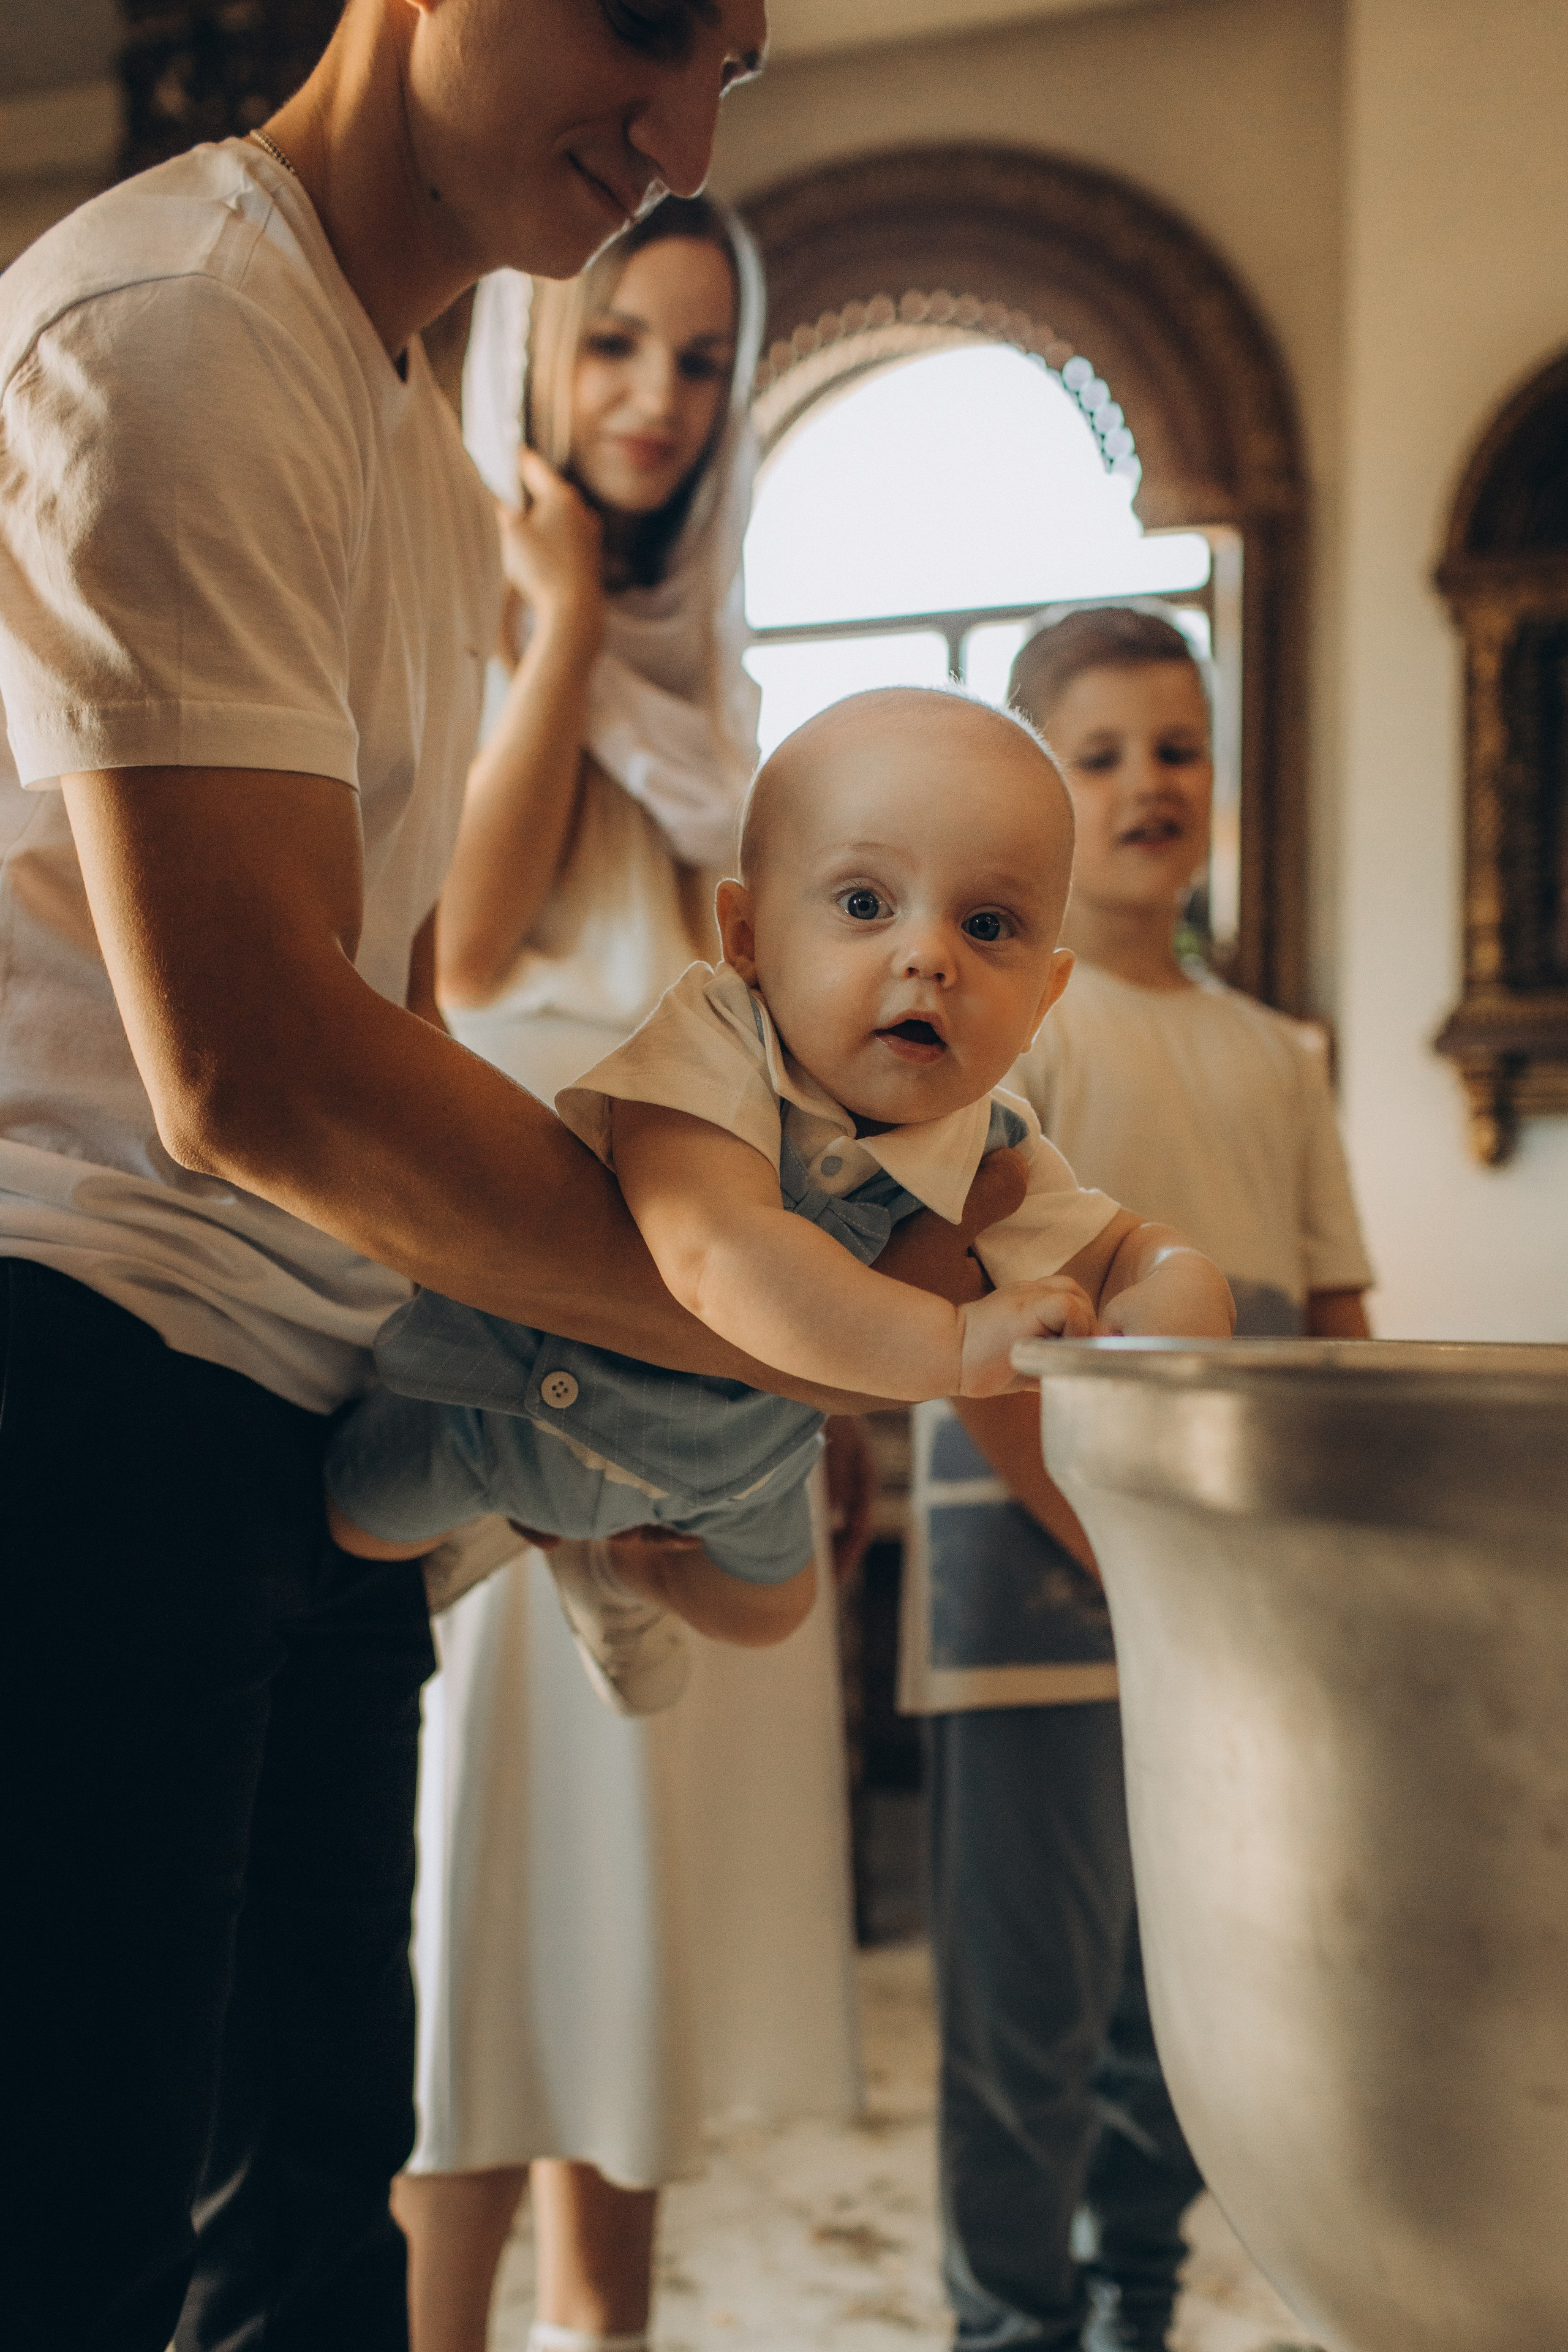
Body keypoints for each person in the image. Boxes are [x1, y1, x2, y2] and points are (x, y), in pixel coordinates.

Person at [0, 4, 1031, 2342]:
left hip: (309, 1381)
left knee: (308, 2237)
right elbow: (255, 1061)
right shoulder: (175, 330)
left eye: (732, 76)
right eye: (646, 27)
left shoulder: (403, 424)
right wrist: (776, 1338)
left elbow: (387, 1010)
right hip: (83, 1386)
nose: (679, 141)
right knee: (78, 2229)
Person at [378, 199, 870, 2352]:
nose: (661, 399)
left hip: (716, 1334)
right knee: (475, 1966)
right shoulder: (464, 588)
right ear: (540, 358)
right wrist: (559, 620)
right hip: (515, 1320)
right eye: (621, 348)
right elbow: (467, 957)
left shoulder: (728, 682)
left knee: (639, 1978)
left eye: (702, 362)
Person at [327, 683, 1237, 1590]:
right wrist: (953, 1343)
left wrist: (1175, 1306)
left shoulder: (989, 1148)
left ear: (1043, 998)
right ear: (747, 937)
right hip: (520, 1411)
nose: (929, 955)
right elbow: (719, 1253)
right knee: (360, 1522)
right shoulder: (712, 1045)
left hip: (729, 1472)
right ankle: (517, 1534)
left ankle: (617, 1581)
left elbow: (1125, 1252)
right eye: (865, 905)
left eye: (987, 924)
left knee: (773, 1608)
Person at [902, 605, 1374, 2352]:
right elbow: (960, 1316)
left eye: (1178, 747)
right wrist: (1108, 1537)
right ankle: (1005, 2322)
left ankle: (1134, 2299)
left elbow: (1332, 1323)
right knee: (1028, 1993)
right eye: (1097, 756)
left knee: (1194, 1982)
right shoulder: (1013, 1042)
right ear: (1040, 796)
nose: (1149, 782)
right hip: (1036, 1566)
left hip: (1234, 1597)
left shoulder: (1278, 1053)